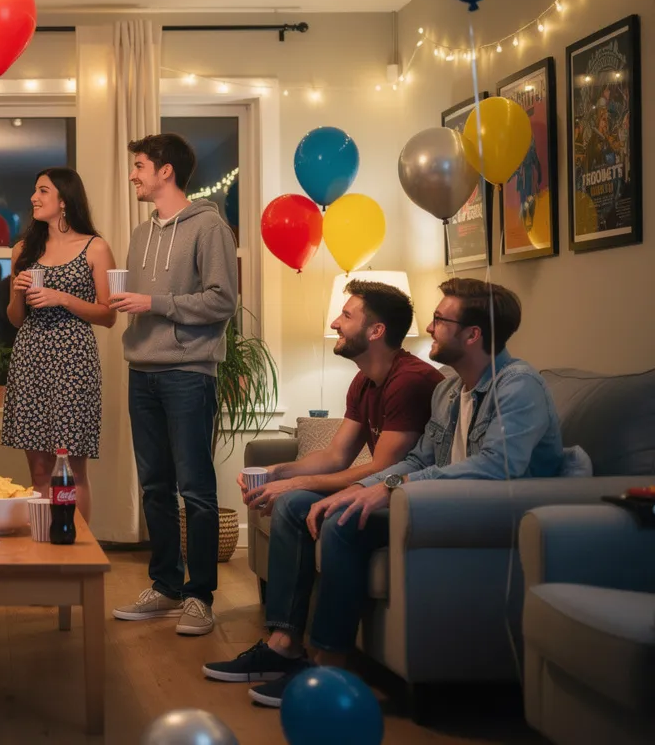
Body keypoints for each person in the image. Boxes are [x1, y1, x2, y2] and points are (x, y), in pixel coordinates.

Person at [205, 277, 564, 707]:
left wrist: (386, 488)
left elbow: (494, 467)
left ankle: (326, 669)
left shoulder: (517, 386)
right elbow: (415, 460)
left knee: (341, 521)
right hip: (430, 501)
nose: (429, 329)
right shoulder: (450, 391)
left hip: (483, 515)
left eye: (439, 320)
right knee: (324, 509)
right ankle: (285, 648)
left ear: (473, 335)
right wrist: (360, 486)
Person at [108, 133, 238, 637]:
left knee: (196, 491)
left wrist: (155, 304)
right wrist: (130, 305)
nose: (134, 174)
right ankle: (164, 587)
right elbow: (139, 298)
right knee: (155, 487)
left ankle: (199, 597)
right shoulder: (142, 235)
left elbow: (222, 301)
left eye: (140, 165)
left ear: (166, 171)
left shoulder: (210, 228)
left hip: (188, 373)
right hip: (141, 370)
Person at [236, 280, 444, 512]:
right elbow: (335, 456)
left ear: (376, 331)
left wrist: (295, 484)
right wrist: (277, 472)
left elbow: (382, 468)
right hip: (377, 487)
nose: (335, 324)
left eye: (346, 316)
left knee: (291, 501)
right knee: (290, 500)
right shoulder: (363, 380)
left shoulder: (409, 380)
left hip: (405, 496)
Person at [1, 168, 115, 519]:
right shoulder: (23, 249)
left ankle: (75, 549)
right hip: (30, 358)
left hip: (73, 361)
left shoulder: (95, 247)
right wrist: (18, 292)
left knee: (70, 468)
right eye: (35, 191)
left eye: (43, 191)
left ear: (64, 201)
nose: (34, 198)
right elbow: (16, 319)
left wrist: (61, 298)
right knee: (38, 469)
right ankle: (42, 546)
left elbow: (108, 315)